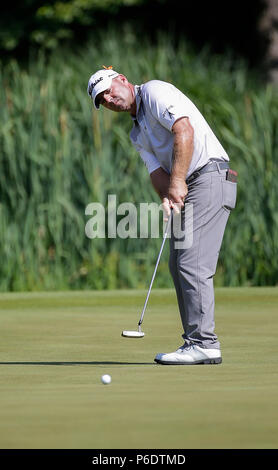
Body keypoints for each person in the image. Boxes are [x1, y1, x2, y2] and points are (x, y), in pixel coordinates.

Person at [87, 66, 237, 365]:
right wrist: (167, 195)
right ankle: (195, 341)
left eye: (109, 90)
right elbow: (157, 172)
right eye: (102, 100)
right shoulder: (137, 132)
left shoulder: (155, 91)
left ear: (122, 80)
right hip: (189, 184)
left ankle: (204, 343)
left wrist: (178, 182)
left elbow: (184, 130)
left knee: (191, 263)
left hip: (208, 178)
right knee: (178, 264)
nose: (109, 99)